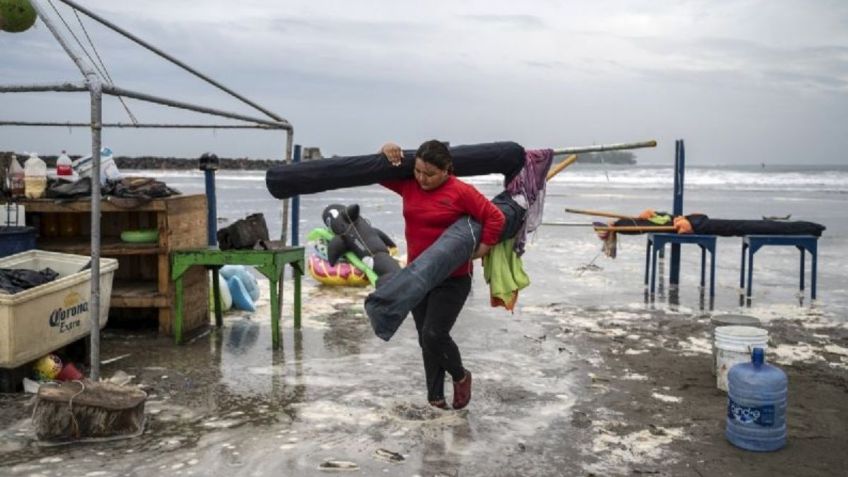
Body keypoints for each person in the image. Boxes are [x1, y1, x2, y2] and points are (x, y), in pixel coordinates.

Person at [379, 139, 505, 410]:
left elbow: (495, 217)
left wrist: (483, 248)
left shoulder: (461, 191)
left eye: (430, 174)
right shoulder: (409, 185)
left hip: (453, 278)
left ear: (447, 170)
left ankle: (461, 376)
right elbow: (379, 174)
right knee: (425, 339)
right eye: (418, 171)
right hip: (418, 276)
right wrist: (385, 151)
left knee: (434, 334)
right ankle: (435, 398)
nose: (422, 179)